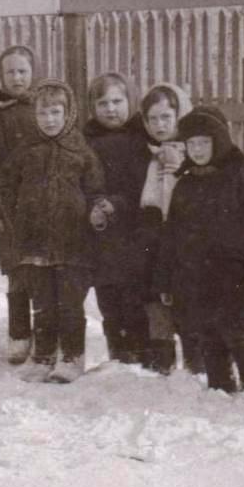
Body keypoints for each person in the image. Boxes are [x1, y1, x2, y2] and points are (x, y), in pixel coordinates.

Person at [0, 80, 106, 381]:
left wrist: (95, 211)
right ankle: (43, 356)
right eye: (43, 113)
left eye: (56, 112)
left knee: (69, 304)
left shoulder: (80, 150)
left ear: (68, 113)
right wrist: (18, 219)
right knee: (42, 303)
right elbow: (5, 187)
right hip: (34, 243)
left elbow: (95, 189)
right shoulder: (26, 150)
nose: (49, 120)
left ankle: (72, 357)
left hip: (73, 242)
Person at [153, 106, 244, 394]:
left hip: (232, 275)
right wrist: (167, 278)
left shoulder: (237, 178)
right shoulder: (186, 184)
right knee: (207, 333)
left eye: (204, 142)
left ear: (218, 142)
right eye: (192, 144)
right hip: (195, 276)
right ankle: (221, 387)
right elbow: (172, 234)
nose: (198, 149)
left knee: (238, 332)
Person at [128, 83, 200, 376]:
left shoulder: (193, 151)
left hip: (183, 234)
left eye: (166, 118)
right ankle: (162, 359)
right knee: (154, 297)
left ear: (179, 117)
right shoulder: (145, 153)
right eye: (153, 119)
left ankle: (197, 361)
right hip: (153, 232)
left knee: (185, 296)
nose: (160, 125)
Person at [0, 44, 40, 363]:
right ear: (1, 76)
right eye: (10, 72)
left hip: (44, 206)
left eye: (23, 71)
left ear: (33, 73)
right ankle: (18, 334)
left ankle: (44, 334)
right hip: (10, 210)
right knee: (17, 271)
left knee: (43, 270)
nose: (17, 77)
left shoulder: (43, 109)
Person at [83, 72, 152, 365]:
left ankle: (142, 352)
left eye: (117, 101)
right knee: (108, 293)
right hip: (102, 232)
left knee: (135, 293)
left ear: (130, 101)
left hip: (135, 229)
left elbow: (143, 186)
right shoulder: (87, 140)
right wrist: (95, 205)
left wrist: (118, 204)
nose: (111, 109)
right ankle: (118, 352)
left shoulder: (142, 137)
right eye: (103, 103)